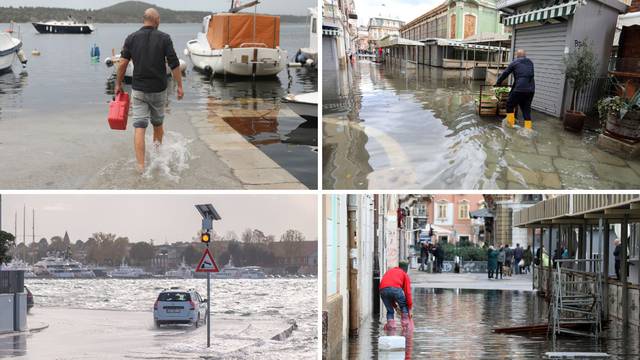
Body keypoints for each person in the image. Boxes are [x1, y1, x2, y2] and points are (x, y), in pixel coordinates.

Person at [115, 8, 184, 173]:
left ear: (144, 19)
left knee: (139, 126)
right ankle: (158, 157)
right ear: (157, 20)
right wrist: (180, 86)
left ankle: (140, 166)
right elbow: (174, 64)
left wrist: (118, 84)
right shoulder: (164, 38)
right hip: (159, 90)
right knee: (158, 124)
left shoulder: (131, 38)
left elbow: (123, 63)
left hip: (139, 90)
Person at [495, 49, 535, 129]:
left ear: (517, 55)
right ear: (525, 55)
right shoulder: (530, 62)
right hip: (531, 89)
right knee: (526, 109)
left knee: (509, 105)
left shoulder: (515, 62)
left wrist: (498, 83)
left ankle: (511, 125)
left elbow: (505, 73)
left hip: (519, 88)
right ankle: (528, 129)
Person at [379, 261, 412, 330]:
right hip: (396, 289)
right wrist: (409, 308)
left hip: (382, 290)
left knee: (390, 311)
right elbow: (408, 293)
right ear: (406, 269)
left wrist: (396, 307)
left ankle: (391, 327)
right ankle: (406, 324)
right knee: (403, 306)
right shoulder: (404, 274)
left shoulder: (390, 271)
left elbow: (389, 291)